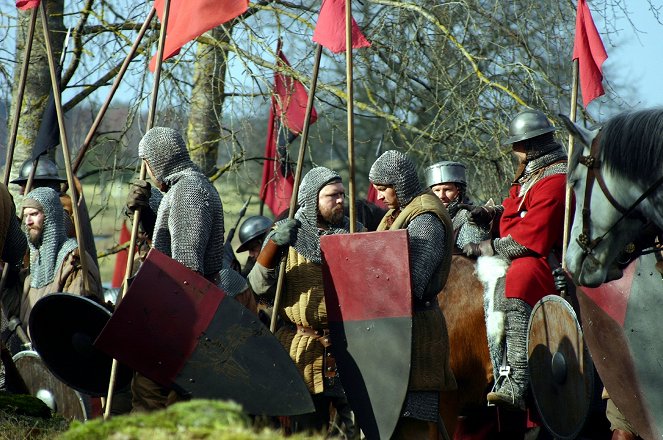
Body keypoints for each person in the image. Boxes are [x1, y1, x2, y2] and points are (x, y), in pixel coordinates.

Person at [463, 109, 568, 411]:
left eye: (517, 145)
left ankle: (517, 380)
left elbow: (531, 237)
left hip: (552, 261)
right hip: (527, 250)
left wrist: (487, 247)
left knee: (519, 276)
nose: (513, 152)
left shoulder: (555, 180)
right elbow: (518, 213)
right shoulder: (532, 175)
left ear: (532, 146)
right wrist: (492, 214)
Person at [248, 167, 359, 437]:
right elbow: (256, 288)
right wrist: (273, 247)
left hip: (350, 350)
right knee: (308, 431)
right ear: (312, 199)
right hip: (303, 352)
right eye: (333, 196)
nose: (341, 201)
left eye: (343, 195)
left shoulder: (354, 233)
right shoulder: (287, 236)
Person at [126, 126, 225, 412]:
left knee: (153, 407)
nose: (146, 170)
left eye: (146, 162)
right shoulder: (184, 189)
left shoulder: (189, 190)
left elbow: (186, 269)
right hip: (176, 319)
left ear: (157, 160)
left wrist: (168, 330)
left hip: (179, 323)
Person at [369, 150, 457, 438]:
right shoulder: (397, 215)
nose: (379, 196)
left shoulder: (425, 218)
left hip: (418, 330)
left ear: (399, 183)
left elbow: (411, 283)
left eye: (383, 189)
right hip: (399, 327)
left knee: (415, 423)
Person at [2, 187, 102, 346]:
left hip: (59, 358)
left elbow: (78, 319)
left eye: (34, 214)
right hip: (33, 358)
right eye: (26, 215)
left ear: (51, 216)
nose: (28, 222)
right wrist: (9, 279)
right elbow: (14, 312)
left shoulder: (73, 261)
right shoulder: (35, 265)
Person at [11, 156, 98, 268]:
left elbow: (52, 239)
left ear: (40, 186)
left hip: (61, 269)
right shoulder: (52, 207)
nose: (21, 192)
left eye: (25, 186)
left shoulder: (62, 210)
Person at [424, 160, 491, 253]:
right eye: (437, 190)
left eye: (447, 190)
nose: (441, 196)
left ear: (459, 191)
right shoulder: (426, 219)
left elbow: (474, 257)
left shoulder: (469, 217)